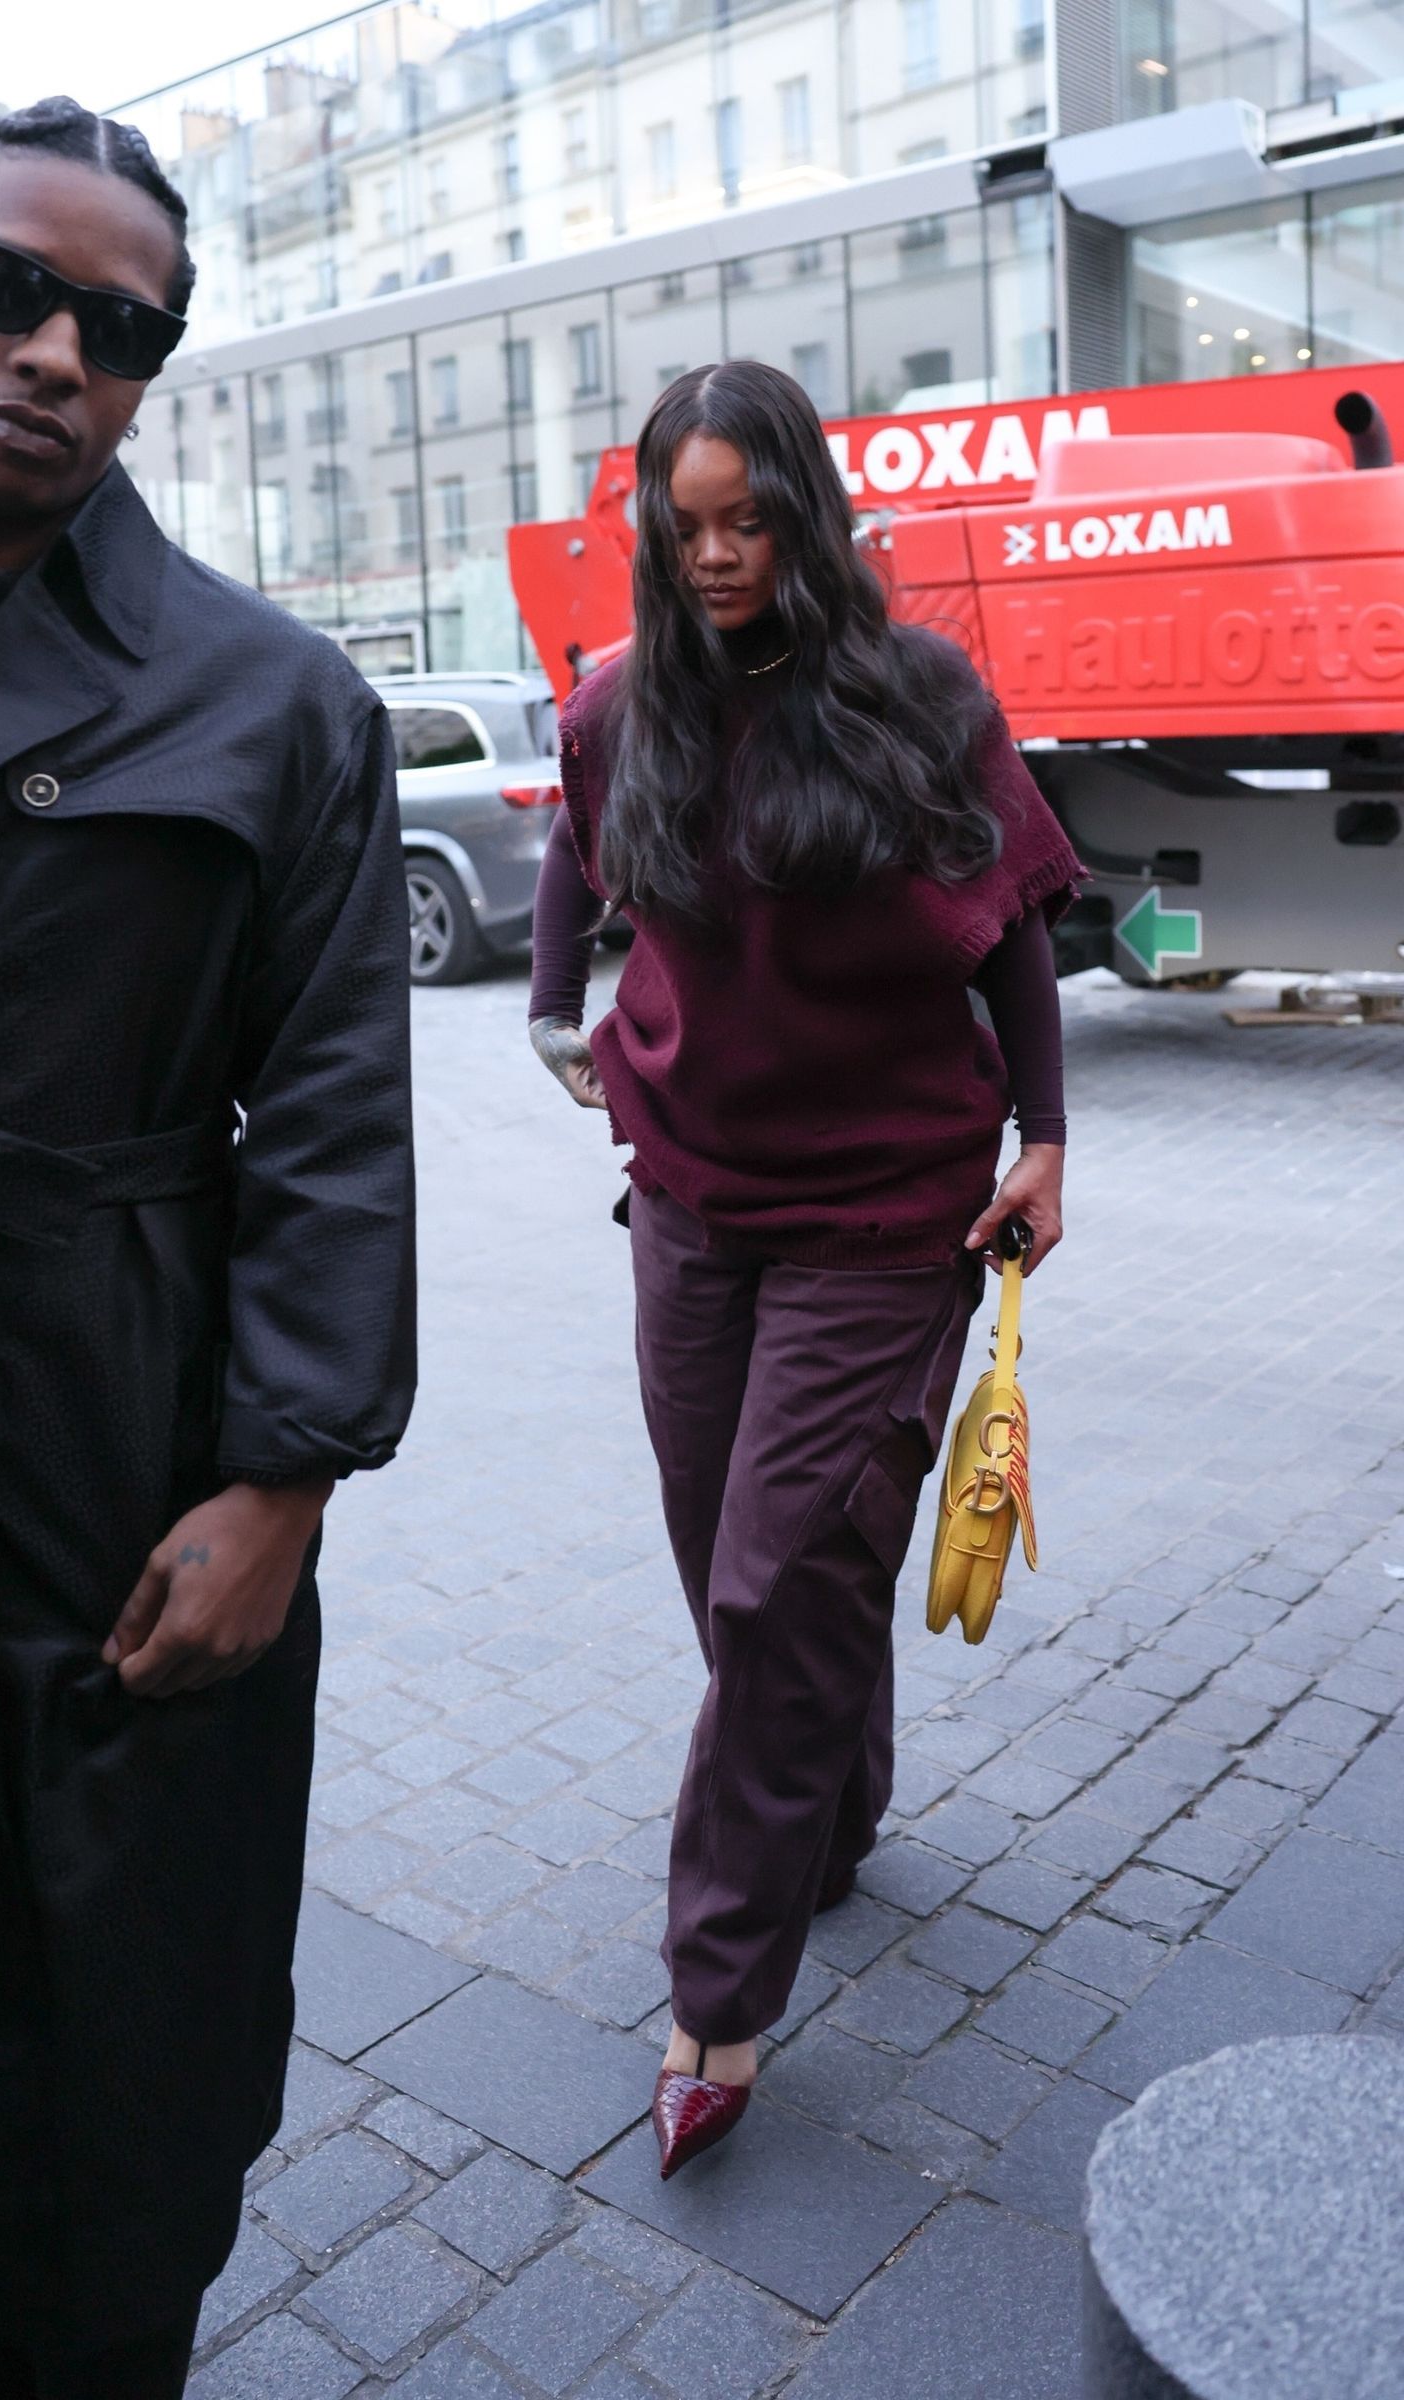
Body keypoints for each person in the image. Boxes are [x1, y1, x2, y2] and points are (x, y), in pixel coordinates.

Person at [0, 98, 414, 2398]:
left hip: (115, 1464)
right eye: (7, 285)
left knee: (98, 2096)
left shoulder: (270, 702)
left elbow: (342, 1118)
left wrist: (283, 1484)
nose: (58, 349)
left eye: (123, 324)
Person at [529, 360, 1077, 2179]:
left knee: (780, 1580)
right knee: (734, 1555)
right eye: (684, 530)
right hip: (688, 1200)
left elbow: (1008, 937)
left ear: (803, 512)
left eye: (746, 519)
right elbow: (569, 867)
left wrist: (1047, 1142)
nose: (716, 557)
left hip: (888, 1208)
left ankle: (720, 1995)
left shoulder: (921, 700)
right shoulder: (630, 709)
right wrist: (559, 1015)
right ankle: (827, 1818)